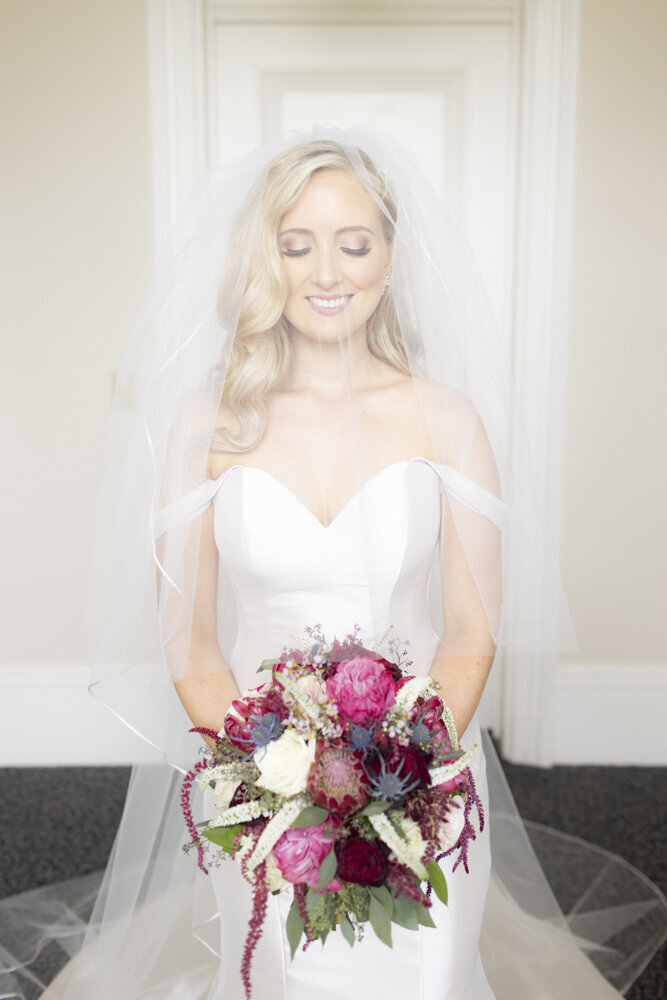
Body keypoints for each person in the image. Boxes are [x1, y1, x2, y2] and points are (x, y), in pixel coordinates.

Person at [2, 127, 665, 1000]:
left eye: (353, 244)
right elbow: (189, 643)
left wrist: (406, 775)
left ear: (389, 255)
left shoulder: (446, 418)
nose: (326, 273)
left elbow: (470, 631)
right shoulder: (207, 425)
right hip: (255, 770)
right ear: (262, 259)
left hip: (424, 770)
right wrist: (266, 785)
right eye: (295, 245)